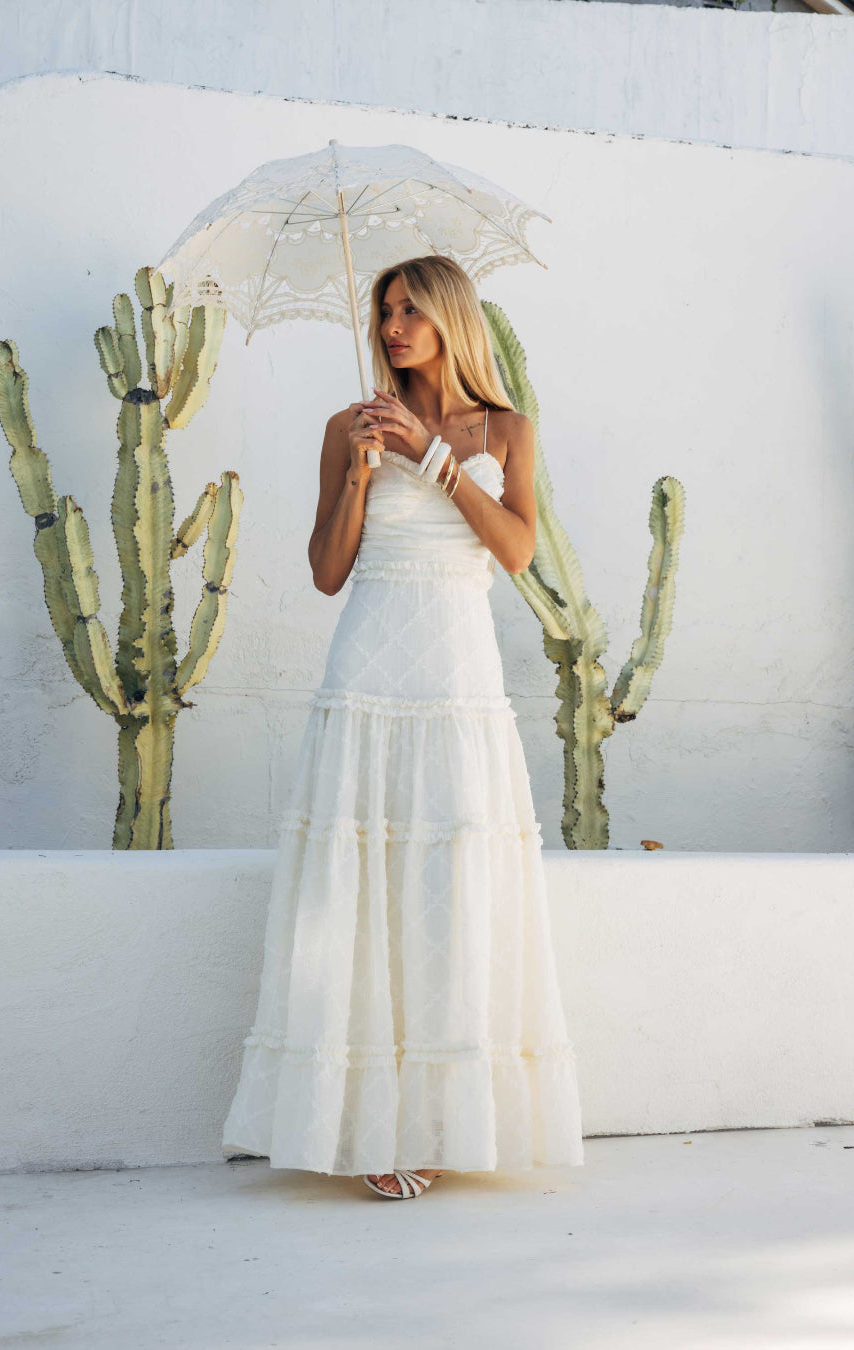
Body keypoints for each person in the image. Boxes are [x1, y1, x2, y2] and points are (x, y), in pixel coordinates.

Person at [222, 254, 584, 1200]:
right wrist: (363, 473)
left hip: (457, 682)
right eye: (384, 309)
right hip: (370, 667)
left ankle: (439, 1123)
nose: (392, 324)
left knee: (450, 889)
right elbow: (326, 571)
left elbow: (515, 550)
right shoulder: (350, 426)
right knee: (360, 893)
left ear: (450, 318)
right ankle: (357, 1124)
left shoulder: (506, 429)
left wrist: (433, 459)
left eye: (411, 309)